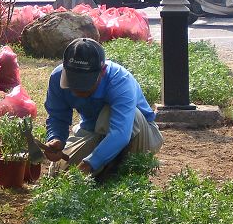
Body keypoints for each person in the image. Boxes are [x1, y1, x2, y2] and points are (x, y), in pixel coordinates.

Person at [42, 38, 164, 178]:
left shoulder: (120, 80)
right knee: (59, 173)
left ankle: (117, 171)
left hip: (139, 134)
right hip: (94, 131)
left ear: (103, 70)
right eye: (73, 81)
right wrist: (57, 139)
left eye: (85, 82)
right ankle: (104, 169)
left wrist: (88, 164)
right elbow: (57, 116)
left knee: (113, 115)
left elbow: (120, 133)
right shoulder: (57, 77)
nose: (77, 89)